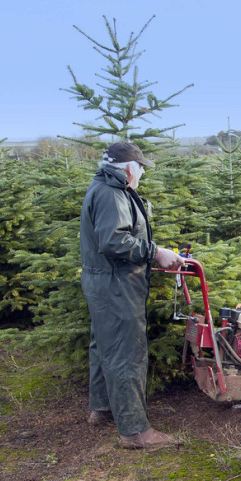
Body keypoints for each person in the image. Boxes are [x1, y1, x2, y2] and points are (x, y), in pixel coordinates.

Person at [79, 141, 185, 449]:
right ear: (128, 169)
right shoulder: (112, 193)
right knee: (126, 351)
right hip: (115, 285)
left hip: (103, 282)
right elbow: (113, 241)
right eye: (140, 169)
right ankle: (135, 431)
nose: (141, 175)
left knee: (103, 345)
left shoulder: (103, 187)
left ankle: (102, 408)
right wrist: (156, 253)